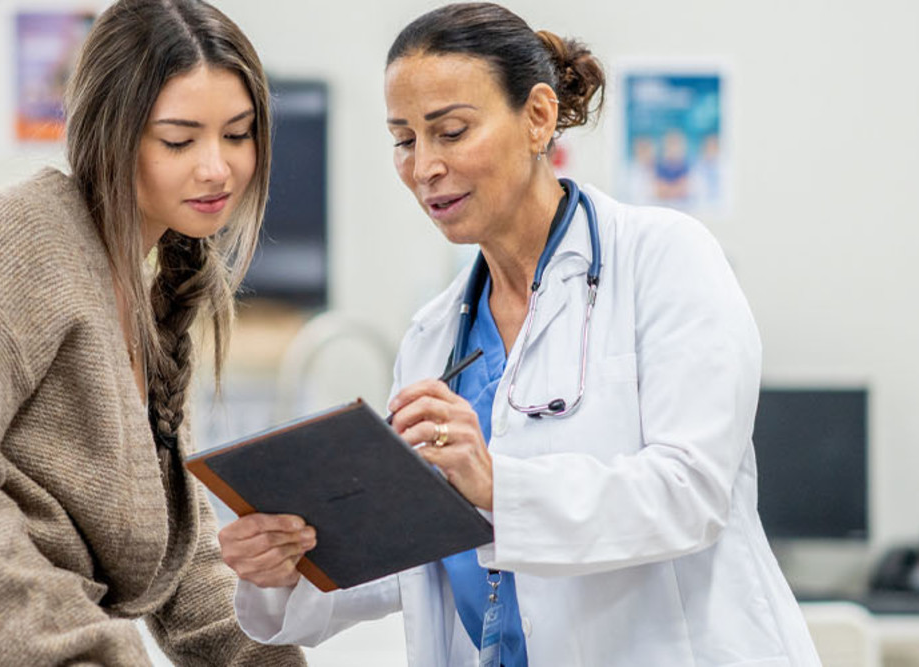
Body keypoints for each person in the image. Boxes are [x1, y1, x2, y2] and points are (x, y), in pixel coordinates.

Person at [216, 3, 819, 665]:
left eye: (450, 131)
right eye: (404, 139)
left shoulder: (666, 260)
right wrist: (289, 561)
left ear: (537, 117)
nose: (424, 168)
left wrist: (497, 484)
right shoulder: (432, 337)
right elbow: (421, 556)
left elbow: (690, 492)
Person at [0, 1, 304, 664]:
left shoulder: (142, 288)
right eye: (179, 140)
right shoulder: (17, 241)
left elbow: (179, 562)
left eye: (238, 135)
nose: (217, 168)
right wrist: (92, 651)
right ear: (111, 136)